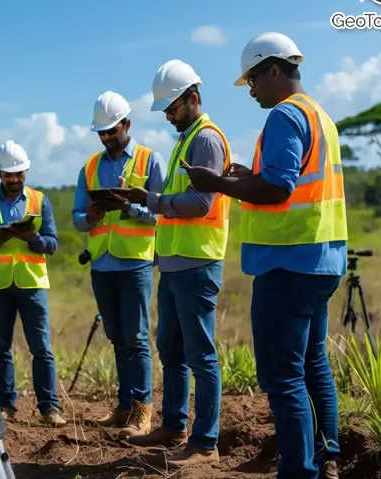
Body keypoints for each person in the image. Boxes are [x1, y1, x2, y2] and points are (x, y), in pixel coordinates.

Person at [181, 32, 346, 479]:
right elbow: (286, 179)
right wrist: (245, 178)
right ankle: (327, 459)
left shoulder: (284, 116)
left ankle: (299, 471)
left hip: (286, 262)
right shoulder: (320, 116)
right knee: (312, 365)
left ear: (274, 69)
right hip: (321, 260)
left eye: (253, 80)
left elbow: (278, 188)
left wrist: (218, 183)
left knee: (282, 376)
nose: (250, 90)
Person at [121, 60, 232, 468]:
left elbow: (200, 204)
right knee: (170, 347)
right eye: (166, 110)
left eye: (172, 108)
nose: (168, 116)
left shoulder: (206, 140)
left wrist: (149, 200)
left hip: (196, 262)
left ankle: (205, 444)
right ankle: (174, 426)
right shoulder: (186, 141)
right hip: (173, 264)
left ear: (193, 98)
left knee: (200, 354)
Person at [71, 91, 166, 439]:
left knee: (137, 338)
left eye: (112, 130)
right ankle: (125, 406)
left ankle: (143, 412)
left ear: (127, 123)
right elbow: (77, 218)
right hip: (102, 263)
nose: (107, 137)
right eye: (101, 132)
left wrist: (128, 208)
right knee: (118, 339)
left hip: (136, 262)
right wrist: (92, 215)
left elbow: (162, 214)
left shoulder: (149, 160)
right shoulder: (90, 167)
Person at [0, 140, 67, 427]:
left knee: (42, 348)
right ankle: (6, 406)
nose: (14, 180)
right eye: (8, 175)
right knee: (0, 348)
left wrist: (32, 238)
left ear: (26, 172)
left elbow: (52, 244)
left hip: (32, 284)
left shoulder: (39, 200)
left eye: (19, 174)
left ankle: (49, 409)